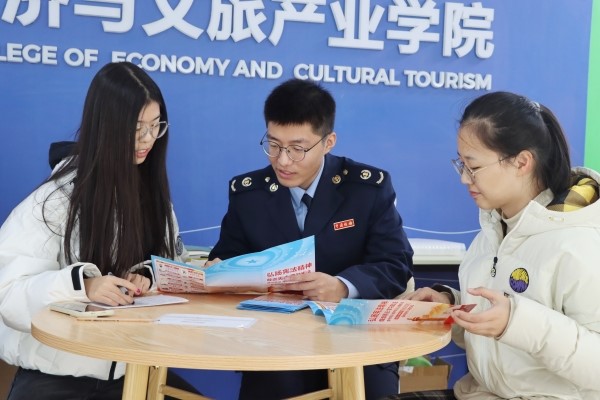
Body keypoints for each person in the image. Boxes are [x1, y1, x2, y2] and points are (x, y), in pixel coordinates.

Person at [0, 62, 198, 399]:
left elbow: (173, 265)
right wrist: (84, 286)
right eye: (137, 128)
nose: (148, 139)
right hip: (58, 377)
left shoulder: (155, 198)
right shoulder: (55, 200)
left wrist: (147, 276)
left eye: (155, 126)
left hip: (135, 372)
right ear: (106, 126)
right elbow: (8, 293)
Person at [206, 78, 414, 399]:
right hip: (273, 344)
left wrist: (342, 286)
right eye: (274, 145)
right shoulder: (248, 194)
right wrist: (221, 271)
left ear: (328, 142)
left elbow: (395, 264)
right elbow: (227, 257)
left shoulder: (366, 189)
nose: (283, 160)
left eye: (297, 149)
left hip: (356, 340)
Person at [386, 91, 600, 400]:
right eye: (461, 164)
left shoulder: (581, 242)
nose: (464, 178)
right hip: (479, 393)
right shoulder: (492, 229)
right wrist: (450, 307)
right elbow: (495, 338)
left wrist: (517, 322)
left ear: (521, 162)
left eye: (473, 166)